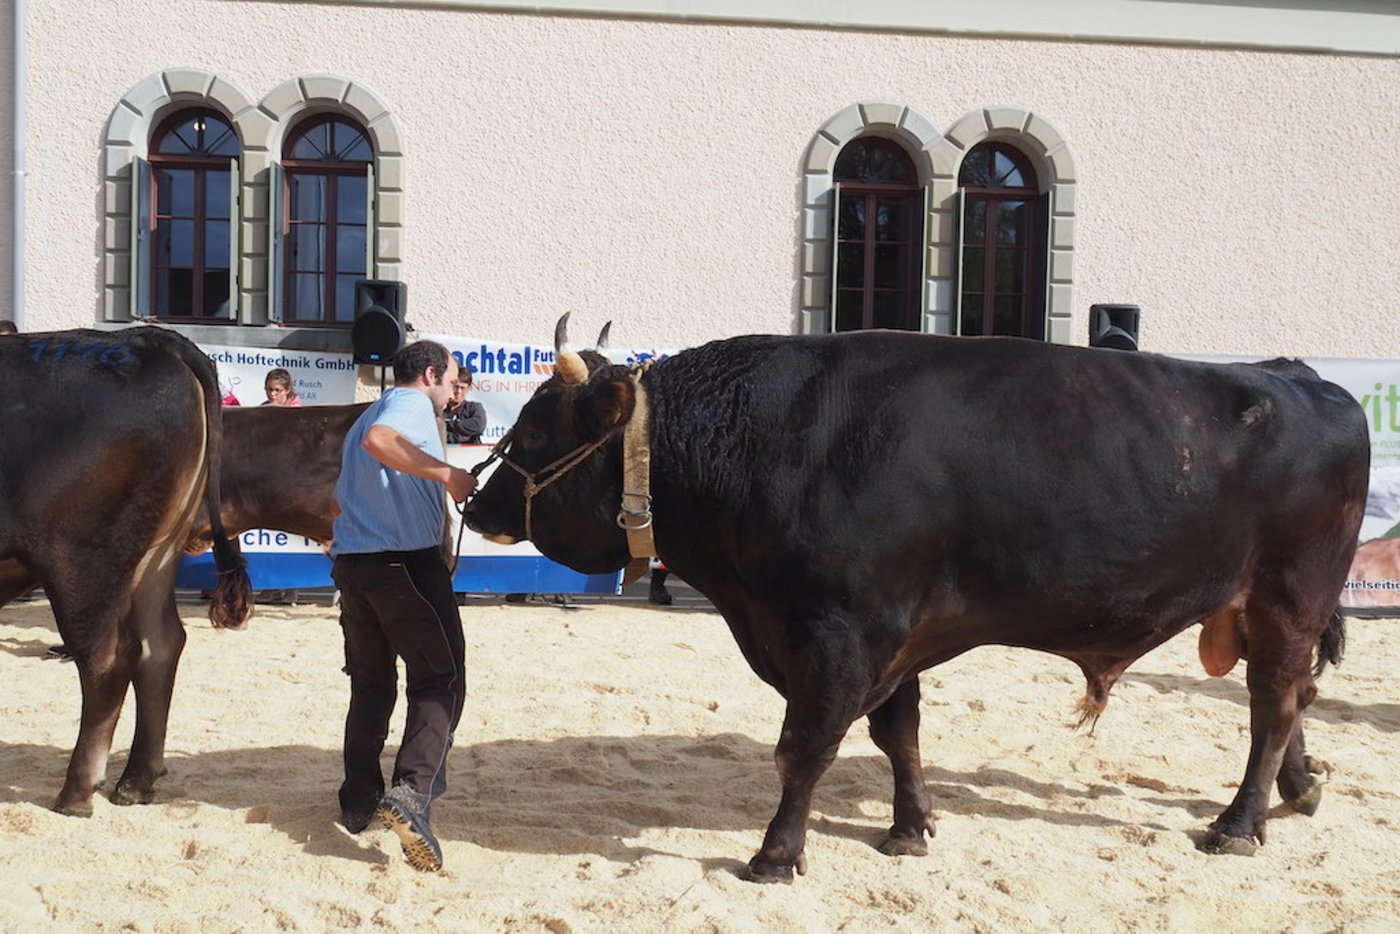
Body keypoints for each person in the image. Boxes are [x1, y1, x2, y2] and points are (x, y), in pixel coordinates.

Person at [329, 339, 476, 872]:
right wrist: (448, 476)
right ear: (430, 374)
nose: (452, 391)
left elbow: (342, 490)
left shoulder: (368, 410)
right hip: (402, 566)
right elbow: (381, 439)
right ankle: (412, 794)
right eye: (451, 380)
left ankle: (359, 798)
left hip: (356, 565)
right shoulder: (406, 406)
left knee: (371, 684)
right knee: (441, 678)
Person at [257, 367, 302, 604]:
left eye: (277, 390)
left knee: (292, 534)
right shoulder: (262, 410)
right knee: (270, 533)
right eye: (269, 390)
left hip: (293, 480)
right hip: (269, 479)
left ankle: (292, 588)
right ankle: (270, 587)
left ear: (288, 391)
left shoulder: (299, 413)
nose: (272, 394)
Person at [443, 368, 486, 443]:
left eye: (462, 388)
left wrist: (447, 425)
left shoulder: (474, 407)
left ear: (469, 388)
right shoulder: (438, 409)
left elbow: (479, 426)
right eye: (455, 387)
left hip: (471, 454)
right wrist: (464, 435)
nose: (458, 392)